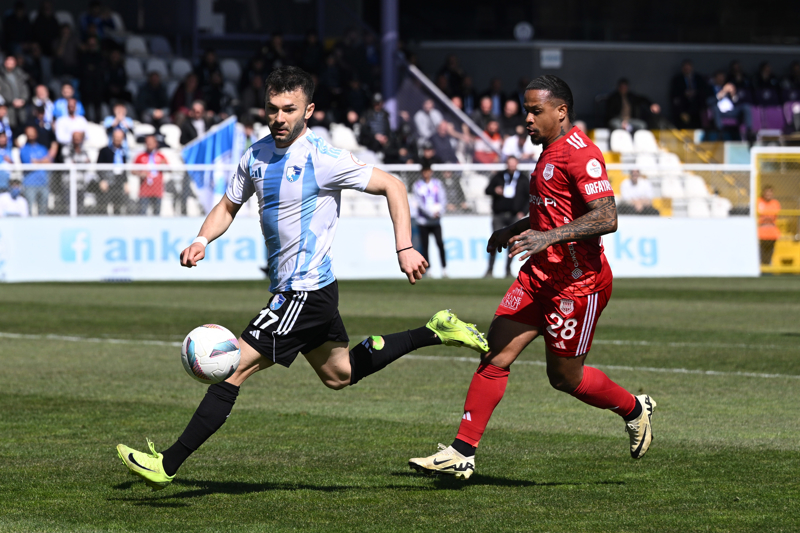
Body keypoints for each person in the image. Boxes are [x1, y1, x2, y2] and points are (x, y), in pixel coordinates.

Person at [116, 66, 488, 490]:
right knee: (340, 374)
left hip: (304, 292)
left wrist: (404, 247)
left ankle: (167, 463)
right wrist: (202, 239)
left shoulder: (322, 158)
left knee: (232, 368)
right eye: (272, 108)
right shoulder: (255, 155)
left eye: (289, 109)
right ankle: (435, 330)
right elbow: (227, 206)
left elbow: (393, 186)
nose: (279, 117)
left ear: (308, 110)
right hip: (306, 290)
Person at [409, 75, 656, 480]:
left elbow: (607, 216)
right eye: (525, 110)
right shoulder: (546, 152)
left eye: (535, 111)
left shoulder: (581, 154)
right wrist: (514, 228)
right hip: (538, 276)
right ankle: (461, 452)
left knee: (564, 378)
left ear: (561, 112)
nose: (526, 118)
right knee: (495, 354)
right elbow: (554, 210)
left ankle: (634, 408)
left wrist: (549, 237)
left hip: (576, 284)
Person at [484, 156, 529, 278]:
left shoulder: (523, 178)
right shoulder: (499, 176)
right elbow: (487, 190)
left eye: (514, 163)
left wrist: (523, 212)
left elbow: (529, 197)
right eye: (510, 163)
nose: (512, 166)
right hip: (499, 214)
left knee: (511, 243)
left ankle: (508, 270)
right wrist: (495, 190)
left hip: (514, 216)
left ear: (517, 164)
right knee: (495, 241)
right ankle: (490, 270)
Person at [413, 162, 448, 277]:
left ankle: (444, 268)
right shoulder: (417, 185)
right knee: (425, 245)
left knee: (440, 244)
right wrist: (430, 213)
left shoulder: (437, 183)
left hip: (436, 221)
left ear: (431, 172)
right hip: (423, 221)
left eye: (428, 171)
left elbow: (443, 199)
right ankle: (429, 269)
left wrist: (439, 212)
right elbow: (420, 203)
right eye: (424, 172)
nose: (426, 174)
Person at [94, 129, 130, 215]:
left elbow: (124, 169)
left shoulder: (123, 152)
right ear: (112, 137)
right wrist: (102, 180)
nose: (118, 139)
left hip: (119, 181)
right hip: (107, 181)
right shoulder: (104, 151)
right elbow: (98, 167)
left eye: (120, 137)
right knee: (103, 207)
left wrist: (126, 182)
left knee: (118, 207)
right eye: (116, 137)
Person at [19, 124, 52, 215]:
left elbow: (49, 162)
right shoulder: (24, 149)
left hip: (43, 183)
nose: (31, 135)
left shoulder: (42, 148)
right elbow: (29, 163)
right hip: (29, 184)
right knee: (29, 210)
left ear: (36, 134)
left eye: (32, 132)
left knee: (43, 210)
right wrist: (43, 161)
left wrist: (37, 161)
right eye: (28, 133)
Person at [133, 134, 167, 215]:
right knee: (142, 212)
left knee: (157, 212)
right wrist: (140, 173)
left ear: (155, 143)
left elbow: (169, 169)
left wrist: (164, 165)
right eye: (147, 142)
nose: (149, 144)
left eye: (151, 142)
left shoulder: (161, 156)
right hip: (145, 189)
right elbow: (132, 170)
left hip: (157, 189)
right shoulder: (140, 156)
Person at [670, 60, 706, 129]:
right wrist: (684, 94)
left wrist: (694, 92)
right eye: (685, 68)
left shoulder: (698, 78)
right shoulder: (677, 79)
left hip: (697, 105)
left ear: (692, 68)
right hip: (683, 104)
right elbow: (674, 94)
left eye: (688, 68)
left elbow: (703, 90)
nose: (687, 70)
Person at [0, 55, 30, 129]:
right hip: (7, 107)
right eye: (8, 61)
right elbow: (2, 92)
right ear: (5, 62)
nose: (10, 63)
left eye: (12, 61)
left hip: (21, 106)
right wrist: (12, 101)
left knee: (22, 126)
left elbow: (24, 88)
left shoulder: (20, 74)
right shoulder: (1, 76)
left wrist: (23, 99)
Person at [757, 186, 781, 266]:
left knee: (770, 254)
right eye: (767, 192)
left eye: (770, 192)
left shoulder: (775, 203)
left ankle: (768, 269)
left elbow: (773, 217)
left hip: (772, 233)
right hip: (760, 233)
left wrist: (765, 216)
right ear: (763, 193)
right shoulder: (758, 202)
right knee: (760, 254)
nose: (768, 194)